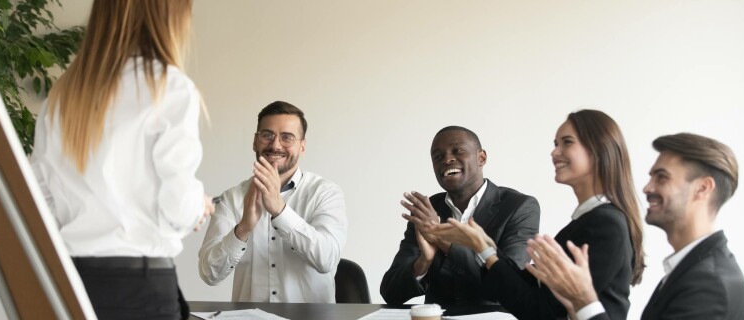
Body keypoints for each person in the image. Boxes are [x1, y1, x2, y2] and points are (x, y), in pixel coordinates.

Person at [30, 1, 213, 319]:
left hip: (72, 284)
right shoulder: (169, 87)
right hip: (140, 291)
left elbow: (42, 202)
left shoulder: (61, 95)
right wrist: (199, 206)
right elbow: (179, 210)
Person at [419, 110, 645, 319]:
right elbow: (534, 293)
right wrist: (485, 247)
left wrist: (483, 249)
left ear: (598, 151)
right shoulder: (591, 221)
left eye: (567, 142)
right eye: (555, 144)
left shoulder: (604, 224)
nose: (554, 152)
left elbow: (541, 311)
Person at [525, 133, 744, 320]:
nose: (647, 188)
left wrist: (584, 301)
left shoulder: (708, 284)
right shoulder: (694, 268)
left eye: (662, 178)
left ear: (702, 188)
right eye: (651, 177)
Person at [198, 101, 347, 303]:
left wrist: (280, 210)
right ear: (255, 142)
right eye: (267, 135)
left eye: (287, 137)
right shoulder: (231, 199)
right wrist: (243, 229)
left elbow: (327, 259)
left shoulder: (325, 193)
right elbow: (209, 274)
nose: (276, 145)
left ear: (302, 146)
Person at [380, 126, 541, 305]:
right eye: (438, 157)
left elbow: (511, 283)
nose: (447, 159)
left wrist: (442, 239)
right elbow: (390, 292)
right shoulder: (427, 210)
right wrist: (423, 262)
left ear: (481, 158)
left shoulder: (519, 207)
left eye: (458, 151)